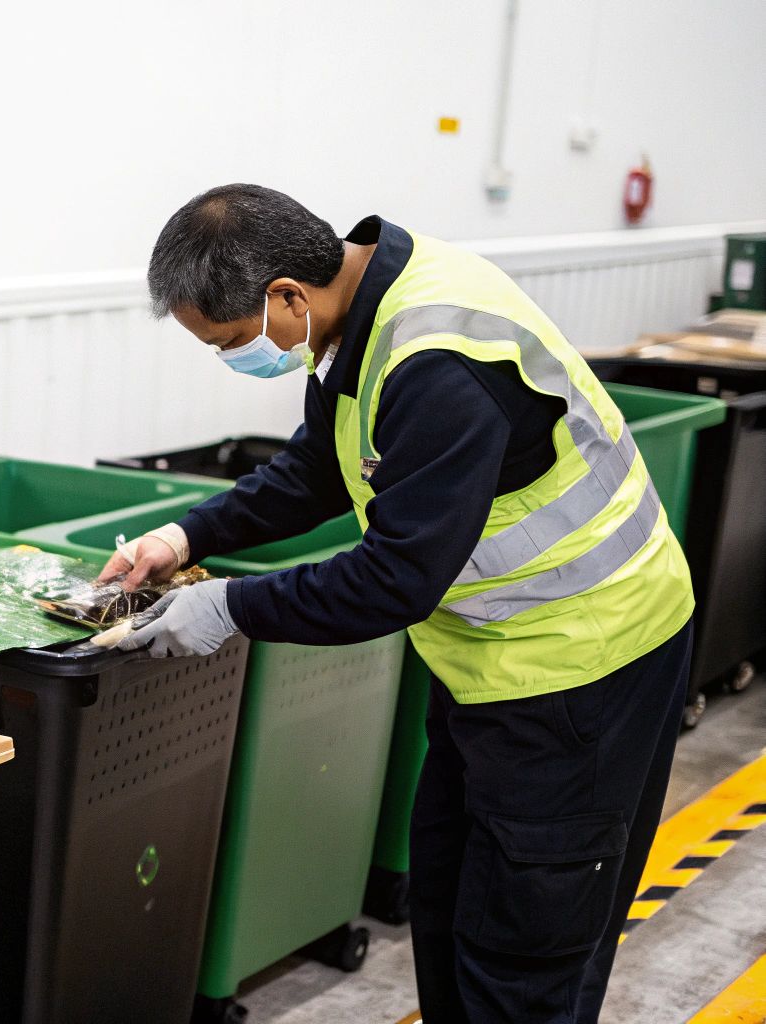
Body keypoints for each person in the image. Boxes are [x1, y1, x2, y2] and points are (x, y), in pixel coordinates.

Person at [100, 183, 694, 1024]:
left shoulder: (437, 363)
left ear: (287, 296)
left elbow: (394, 579)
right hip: (491, 664)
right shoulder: (364, 310)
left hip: (584, 667)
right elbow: (320, 466)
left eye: (231, 342)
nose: (234, 358)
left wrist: (229, 608)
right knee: (449, 905)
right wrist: (185, 536)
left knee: (524, 954)